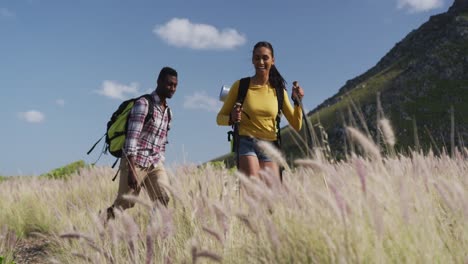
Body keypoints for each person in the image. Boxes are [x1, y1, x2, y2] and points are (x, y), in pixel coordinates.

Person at [216, 41, 304, 179]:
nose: (261, 61)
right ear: (252, 60)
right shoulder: (240, 86)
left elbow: (297, 124)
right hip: (246, 142)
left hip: (270, 145)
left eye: (265, 57)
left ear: (273, 60)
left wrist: (297, 102)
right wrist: (231, 118)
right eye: (257, 58)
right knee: (253, 187)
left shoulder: (280, 91)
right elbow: (219, 118)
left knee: (270, 196)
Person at [106, 66, 178, 220]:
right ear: (158, 82)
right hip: (135, 161)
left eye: (175, 85)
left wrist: (160, 159)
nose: (172, 88)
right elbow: (132, 137)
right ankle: (103, 222)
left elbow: (162, 141)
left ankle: (154, 238)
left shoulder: (168, 113)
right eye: (169, 84)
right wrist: (132, 169)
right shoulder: (143, 104)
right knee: (125, 203)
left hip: (155, 163)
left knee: (163, 198)